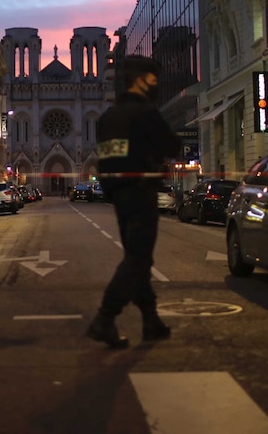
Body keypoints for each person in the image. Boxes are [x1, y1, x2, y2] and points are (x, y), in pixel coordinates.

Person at [87, 56, 181, 348]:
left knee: (138, 258)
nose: (155, 85)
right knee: (138, 258)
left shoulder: (109, 117)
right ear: (140, 80)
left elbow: (106, 159)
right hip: (141, 193)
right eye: (153, 79)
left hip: (119, 195)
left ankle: (150, 320)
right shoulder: (144, 113)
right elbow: (172, 145)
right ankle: (105, 317)